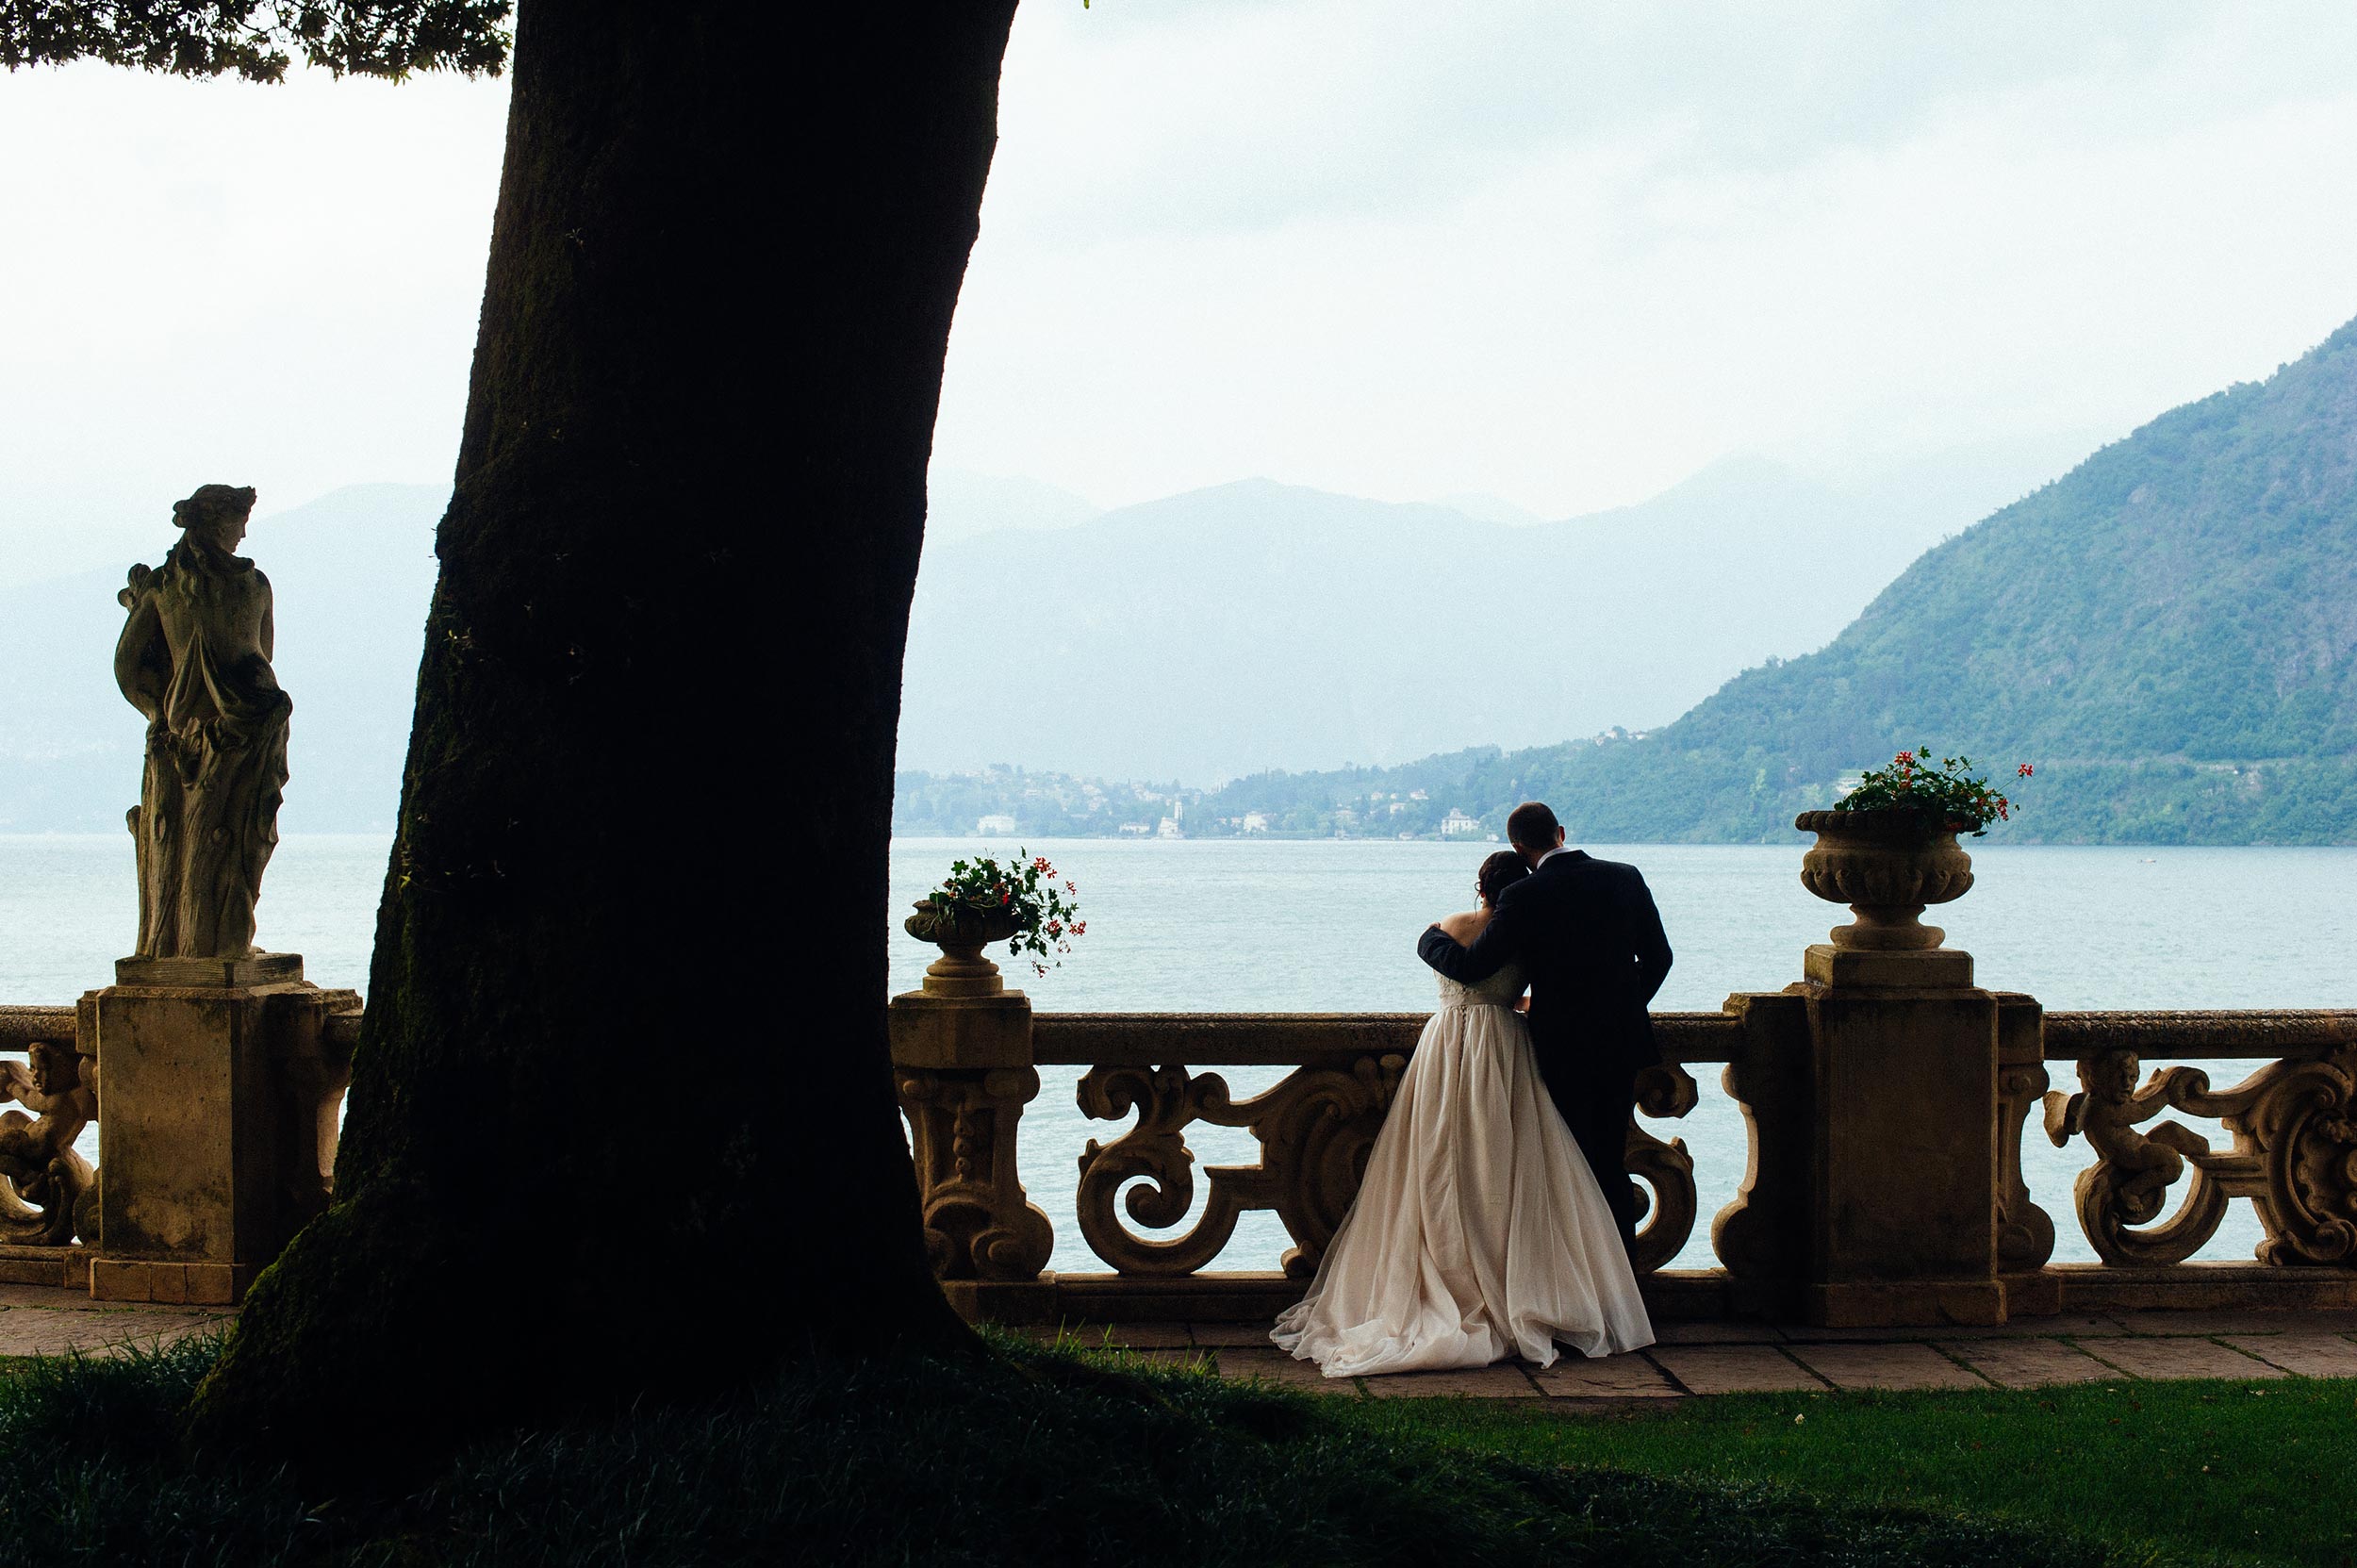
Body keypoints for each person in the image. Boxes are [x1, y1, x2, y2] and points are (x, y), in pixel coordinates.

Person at [1270, 848, 1653, 1377]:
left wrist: (1428, 938)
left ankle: (1449, 1272)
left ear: (1481, 887)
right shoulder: (1525, 936)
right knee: (1509, 1162)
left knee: (1434, 1160)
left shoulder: (1447, 925)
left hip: (1444, 1044)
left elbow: (1464, 969)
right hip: (1504, 1048)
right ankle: (1523, 1277)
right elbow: (1534, 985)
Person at [1418, 800, 1673, 1251]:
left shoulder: (1524, 896)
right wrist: (1623, 1008)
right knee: (1610, 1163)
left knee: (1566, 1167)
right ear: (1561, 831)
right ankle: (1623, 1288)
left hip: (1559, 1046)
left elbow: (1474, 966)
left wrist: (1430, 939)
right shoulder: (1625, 876)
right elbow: (1659, 959)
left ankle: (1577, 1277)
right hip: (1619, 1043)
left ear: (1518, 845)